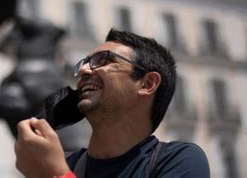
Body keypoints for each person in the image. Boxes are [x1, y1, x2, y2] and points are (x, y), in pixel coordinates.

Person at [15, 29, 210, 177]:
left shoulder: (180, 160)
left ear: (147, 83)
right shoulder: (68, 164)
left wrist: (55, 173)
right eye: (84, 62)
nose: (83, 70)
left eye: (103, 60)